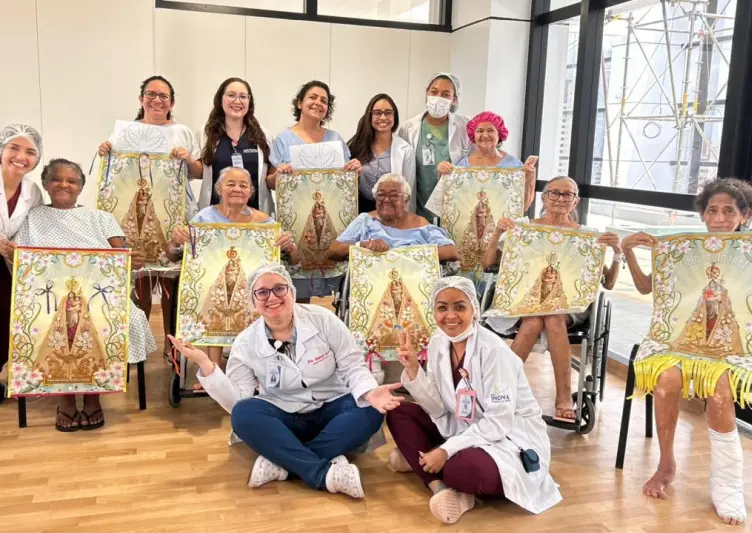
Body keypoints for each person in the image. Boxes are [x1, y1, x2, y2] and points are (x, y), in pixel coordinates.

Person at [621, 178, 752, 526]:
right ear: (702, 215)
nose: (719, 218)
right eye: (712, 210)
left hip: (742, 347)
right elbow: (647, 288)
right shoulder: (688, 249)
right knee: (666, 380)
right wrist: (627, 251)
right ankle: (666, 464)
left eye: (729, 211)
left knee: (719, 387)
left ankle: (727, 485)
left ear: (744, 215)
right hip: (689, 342)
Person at [168, 263, 405, 499]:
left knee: (371, 409)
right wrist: (206, 364)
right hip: (284, 415)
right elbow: (237, 401)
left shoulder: (323, 320)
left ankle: (284, 462)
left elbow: (352, 365)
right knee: (243, 413)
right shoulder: (245, 343)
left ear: (292, 291)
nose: (272, 297)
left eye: (279, 289)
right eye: (262, 292)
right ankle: (323, 473)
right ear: (253, 301)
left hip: (332, 407)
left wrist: (370, 392)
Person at [385, 277, 561, 524]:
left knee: (462, 469)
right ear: (433, 311)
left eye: (459, 307)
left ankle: (424, 461)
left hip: (507, 439)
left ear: (474, 310)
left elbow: (499, 423)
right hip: (462, 429)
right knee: (397, 411)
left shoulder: (494, 351)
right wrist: (414, 370)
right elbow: (437, 408)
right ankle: (438, 486)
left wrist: (446, 450)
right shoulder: (437, 343)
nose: (450, 316)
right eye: (442, 308)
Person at [12, 159, 156, 430]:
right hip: (48, 297)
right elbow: (21, 261)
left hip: (100, 294)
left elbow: (120, 255)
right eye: (56, 179)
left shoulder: (101, 218)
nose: (64, 185)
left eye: (72, 181)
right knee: (56, 320)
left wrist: (131, 260)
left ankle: (92, 396)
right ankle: (65, 399)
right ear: (46, 184)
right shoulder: (32, 218)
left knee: (104, 319)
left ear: (80, 187)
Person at [482, 176, 622, 423]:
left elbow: (608, 283)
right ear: (544, 198)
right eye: (554, 193)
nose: (560, 198)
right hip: (525, 300)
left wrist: (617, 252)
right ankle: (504, 390)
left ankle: (562, 396)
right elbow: (488, 264)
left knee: (553, 316)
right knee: (535, 320)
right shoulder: (524, 228)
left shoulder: (587, 237)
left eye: (567, 194)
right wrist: (497, 233)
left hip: (568, 305)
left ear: (575, 201)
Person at [97, 75, 201, 358]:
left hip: (171, 213)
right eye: (151, 94)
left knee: (171, 280)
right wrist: (105, 150)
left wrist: (187, 158)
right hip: (134, 211)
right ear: (141, 99)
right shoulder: (124, 132)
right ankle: (137, 345)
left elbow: (199, 171)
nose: (157, 100)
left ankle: (172, 344)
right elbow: (113, 170)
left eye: (163, 96)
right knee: (139, 276)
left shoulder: (182, 132)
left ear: (172, 102)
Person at [167, 167, 300, 383]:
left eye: (243, 185)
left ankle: (253, 371)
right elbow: (174, 256)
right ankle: (213, 370)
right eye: (231, 184)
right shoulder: (203, 218)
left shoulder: (264, 223)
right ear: (219, 188)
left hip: (252, 286)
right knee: (212, 297)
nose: (237, 189)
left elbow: (295, 260)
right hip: (216, 283)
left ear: (251, 192)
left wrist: (290, 246)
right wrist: (176, 241)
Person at [268, 80, 362, 302]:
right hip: (298, 224)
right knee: (296, 294)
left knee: (332, 295)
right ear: (299, 102)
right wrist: (279, 174)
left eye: (324, 100)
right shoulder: (283, 140)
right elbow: (270, 182)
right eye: (313, 97)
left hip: (332, 223)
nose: (318, 103)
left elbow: (346, 182)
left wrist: (354, 170)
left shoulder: (335, 139)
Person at [0, 124, 44, 403]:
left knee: (8, 314)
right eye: (14, 148)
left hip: (8, 263)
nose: (21, 157)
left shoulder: (33, 191)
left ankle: (3, 374)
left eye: (30, 152)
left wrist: (18, 247)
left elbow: (34, 228)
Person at [426, 111, 538, 217]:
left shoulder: (513, 164)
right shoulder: (463, 165)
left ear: (499, 134)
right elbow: (451, 201)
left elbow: (523, 206)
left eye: (490, 130)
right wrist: (442, 175)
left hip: (504, 226)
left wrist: (530, 180)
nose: (485, 135)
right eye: (480, 131)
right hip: (469, 225)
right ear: (473, 136)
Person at [326, 173, 458, 263]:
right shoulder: (365, 220)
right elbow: (333, 251)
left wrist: (406, 254)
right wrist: (364, 245)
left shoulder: (420, 224)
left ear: (406, 199)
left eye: (394, 195)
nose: (386, 200)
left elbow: (451, 252)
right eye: (381, 195)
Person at [398, 73, 470, 221]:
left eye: (445, 94)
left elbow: (475, 165)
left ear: (454, 99)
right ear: (427, 92)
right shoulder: (408, 128)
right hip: (419, 207)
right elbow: (402, 168)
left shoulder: (465, 127)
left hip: (455, 206)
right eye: (434, 92)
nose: (438, 98)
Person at [197, 77, 274, 213]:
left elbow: (270, 177)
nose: (237, 101)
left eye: (243, 96)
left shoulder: (264, 135)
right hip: (215, 216)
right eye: (231, 95)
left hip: (256, 216)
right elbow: (198, 173)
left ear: (249, 102)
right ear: (220, 99)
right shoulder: (205, 133)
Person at [347, 93, 415, 213]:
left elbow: (408, 191)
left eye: (388, 113)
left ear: (394, 116)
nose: (383, 117)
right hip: (360, 210)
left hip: (391, 211)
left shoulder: (405, 150)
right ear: (370, 116)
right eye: (377, 113)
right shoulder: (357, 145)